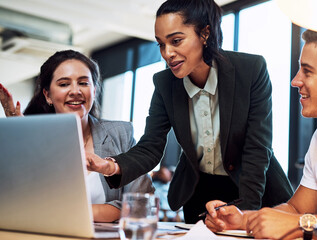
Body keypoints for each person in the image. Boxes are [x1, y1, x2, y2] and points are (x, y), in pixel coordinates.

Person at [86, 0, 293, 223]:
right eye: (161, 45)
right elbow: (150, 147)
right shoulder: (165, 84)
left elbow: (257, 148)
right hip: (200, 194)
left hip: (254, 189)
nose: (167, 53)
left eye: (176, 41)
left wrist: (247, 212)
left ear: (205, 33)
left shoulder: (250, 70)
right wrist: (110, 165)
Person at [204, 29, 317, 239]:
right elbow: (298, 210)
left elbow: (299, 220)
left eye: (307, 71)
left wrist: (301, 224)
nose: (295, 81)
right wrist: (244, 220)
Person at [0, 50, 154, 223]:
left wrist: (68, 212)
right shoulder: (33, 142)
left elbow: (142, 203)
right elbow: (20, 205)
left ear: (94, 91)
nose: (75, 91)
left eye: (83, 83)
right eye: (64, 84)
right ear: (48, 95)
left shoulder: (121, 134)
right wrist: (22, 140)